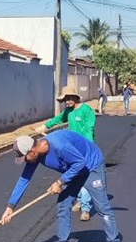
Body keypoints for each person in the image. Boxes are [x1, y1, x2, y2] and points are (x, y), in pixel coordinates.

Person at [1, 131, 124, 242]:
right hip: (75, 169)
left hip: (91, 166)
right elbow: (24, 179)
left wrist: (60, 181)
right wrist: (11, 206)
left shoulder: (59, 146)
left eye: (25, 158)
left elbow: (80, 162)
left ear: (32, 150)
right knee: (63, 204)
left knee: (103, 209)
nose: (25, 161)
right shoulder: (35, 156)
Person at [36, 86, 96, 222]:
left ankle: (86, 208)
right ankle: (80, 200)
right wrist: (45, 126)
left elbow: (89, 128)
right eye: (65, 100)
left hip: (84, 148)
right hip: (71, 150)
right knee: (76, 177)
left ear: (75, 98)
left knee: (85, 177)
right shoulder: (68, 112)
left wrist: (88, 147)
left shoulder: (86, 110)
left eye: (68, 99)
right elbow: (57, 119)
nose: (67, 102)